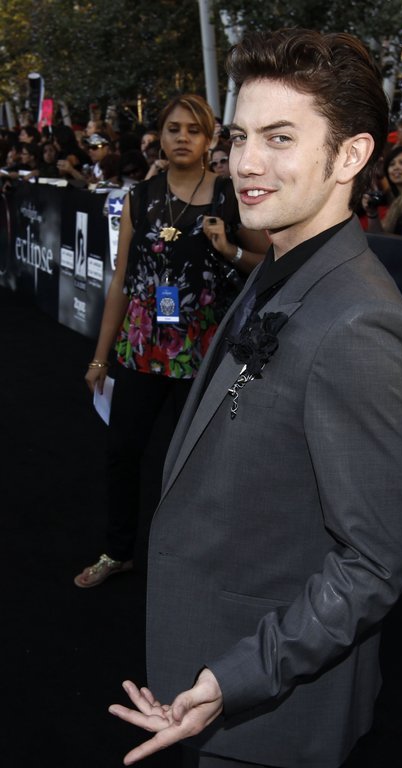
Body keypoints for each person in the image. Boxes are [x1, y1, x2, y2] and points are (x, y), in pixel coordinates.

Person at [108, 28, 402, 768]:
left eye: (280, 138)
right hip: (214, 661)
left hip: (269, 714)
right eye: (240, 137)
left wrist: (236, 678)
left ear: (350, 156)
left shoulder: (362, 325)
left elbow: (372, 566)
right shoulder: (280, 261)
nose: (245, 163)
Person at [74, 93, 267, 589]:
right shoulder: (140, 197)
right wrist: (100, 357)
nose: (182, 137)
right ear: (160, 136)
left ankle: (195, 561)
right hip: (143, 346)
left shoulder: (229, 194)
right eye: (174, 129)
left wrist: (228, 248)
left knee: (198, 463)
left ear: (210, 139)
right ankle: (118, 552)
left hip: (205, 351)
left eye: (193, 130)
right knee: (122, 451)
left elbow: (269, 264)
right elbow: (121, 281)